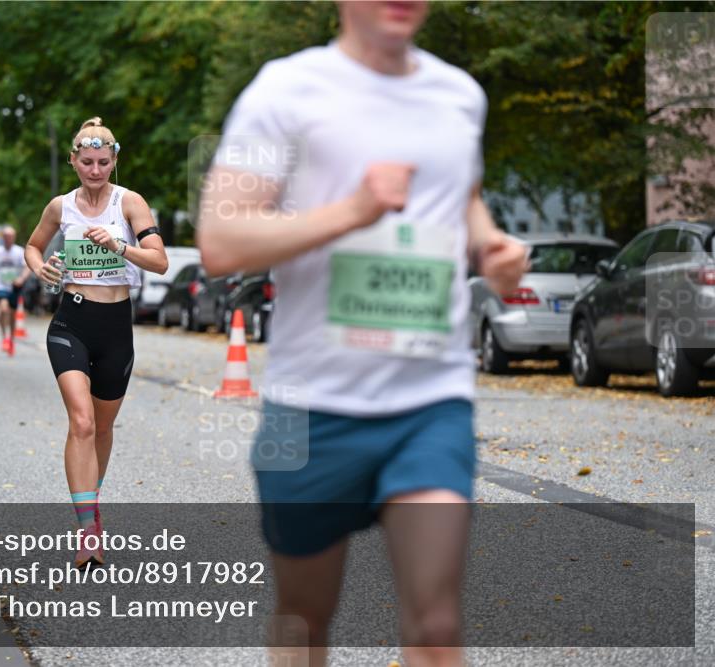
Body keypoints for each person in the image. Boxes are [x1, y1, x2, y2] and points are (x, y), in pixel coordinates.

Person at [197, 2, 528, 666]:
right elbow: (221, 239)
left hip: (429, 398)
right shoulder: (285, 90)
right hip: (309, 403)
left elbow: (459, 193)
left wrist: (489, 244)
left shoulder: (459, 96)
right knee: (304, 620)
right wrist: (354, 209)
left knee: (435, 625)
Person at [25, 117, 169, 567]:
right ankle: (87, 529)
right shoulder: (59, 207)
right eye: (86, 162)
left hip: (115, 327)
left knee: (103, 429)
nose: (94, 170)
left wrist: (119, 246)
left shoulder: (130, 204)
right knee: (82, 422)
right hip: (72, 321)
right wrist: (39, 267)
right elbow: (33, 246)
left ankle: (92, 506)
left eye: (103, 162)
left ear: (114, 161)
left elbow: (160, 262)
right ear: (73, 161)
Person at [0, 226, 31, 356]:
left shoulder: (20, 251)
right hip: (0, 285)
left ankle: (11, 340)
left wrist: (21, 279)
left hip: (14, 286)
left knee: (12, 314)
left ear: (14, 237)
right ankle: (4, 337)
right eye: (6, 236)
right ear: (2, 238)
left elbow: (27, 267)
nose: (8, 238)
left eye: (10, 236)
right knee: (4, 309)